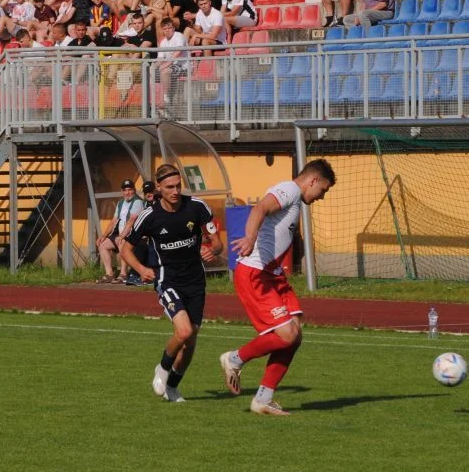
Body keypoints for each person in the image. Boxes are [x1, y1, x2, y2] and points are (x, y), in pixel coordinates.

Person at [220, 159, 335, 415]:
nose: (321, 197)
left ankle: (263, 399)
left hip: (272, 275)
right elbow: (260, 208)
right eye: (323, 191)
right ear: (313, 180)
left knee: (294, 337)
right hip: (255, 273)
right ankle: (234, 358)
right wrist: (249, 238)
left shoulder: (295, 197)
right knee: (287, 335)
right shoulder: (290, 189)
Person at [120, 163, 223, 403]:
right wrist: (141, 269)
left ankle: (173, 387)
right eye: (169, 187)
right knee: (184, 330)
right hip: (168, 280)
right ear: (159, 188)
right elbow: (125, 249)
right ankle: (163, 368)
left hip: (196, 282)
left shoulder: (196, 207)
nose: (175, 191)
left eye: (178, 186)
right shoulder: (150, 215)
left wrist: (214, 250)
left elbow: (218, 243)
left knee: (190, 341)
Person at [96, 180, 145, 283]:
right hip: (120, 234)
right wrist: (104, 235)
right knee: (102, 244)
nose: (127, 193)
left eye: (130, 190)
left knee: (122, 242)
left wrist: (121, 236)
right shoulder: (120, 203)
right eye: (125, 190)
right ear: (122, 191)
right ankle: (109, 274)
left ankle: (123, 274)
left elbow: (131, 221)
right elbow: (114, 221)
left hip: (133, 235)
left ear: (134, 190)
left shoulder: (138, 201)